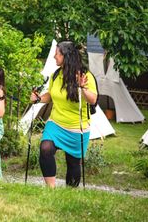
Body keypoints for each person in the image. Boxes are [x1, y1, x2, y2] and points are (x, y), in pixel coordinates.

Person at [30, 40, 97, 188]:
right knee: (45, 148)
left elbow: (92, 100)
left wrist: (82, 88)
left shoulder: (85, 76)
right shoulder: (56, 75)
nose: (54, 56)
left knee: (73, 163)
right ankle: (51, 190)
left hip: (76, 128)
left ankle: (70, 193)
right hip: (56, 124)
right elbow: (52, 95)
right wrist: (39, 98)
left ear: (65, 56)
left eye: (57, 53)